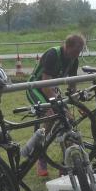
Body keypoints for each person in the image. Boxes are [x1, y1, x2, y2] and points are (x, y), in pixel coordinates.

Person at [26, 33, 85, 177]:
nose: (77, 55)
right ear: (67, 46)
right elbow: (45, 84)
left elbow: (72, 83)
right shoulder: (53, 54)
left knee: (68, 121)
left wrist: (76, 101)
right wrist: (59, 107)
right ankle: (40, 156)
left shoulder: (74, 59)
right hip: (36, 87)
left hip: (51, 88)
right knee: (51, 116)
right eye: (75, 51)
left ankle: (66, 163)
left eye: (80, 52)